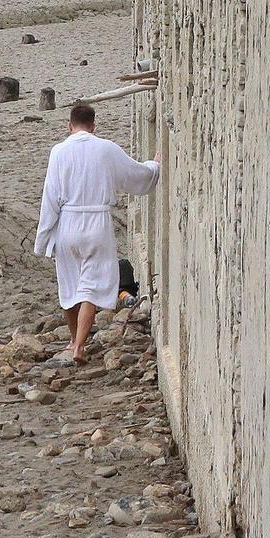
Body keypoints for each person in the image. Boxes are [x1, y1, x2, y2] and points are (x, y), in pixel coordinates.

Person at [34, 103, 161, 365]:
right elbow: (134, 174)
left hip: (67, 223)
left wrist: (43, 239)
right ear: (93, 125)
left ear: (69, 126)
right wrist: (155, 166)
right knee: (89, 288)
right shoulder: (106, 148)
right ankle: (80, 346)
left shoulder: (58, 152)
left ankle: (72, 339)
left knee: (69, 286)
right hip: (97, 224)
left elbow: (50, 197)